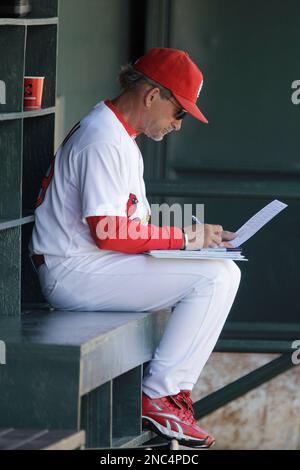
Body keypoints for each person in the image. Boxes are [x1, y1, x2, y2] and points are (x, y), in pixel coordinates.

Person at [29, 48, 241, 448]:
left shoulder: (119, 134)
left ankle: (165, 392)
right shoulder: (102, 139)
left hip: (92, 264)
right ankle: (159, 395)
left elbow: (126, 227)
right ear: (151, 96)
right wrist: (182, 239)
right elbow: (108, 233)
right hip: (74, 271)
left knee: (218, 269)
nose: (179, 125)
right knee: (215, 278)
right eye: (179, 113)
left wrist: (194, 239)